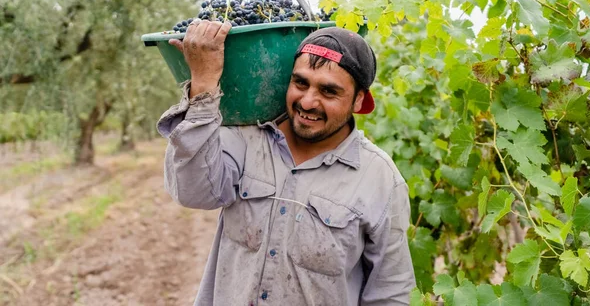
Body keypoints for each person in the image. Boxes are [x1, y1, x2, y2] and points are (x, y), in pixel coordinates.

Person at [157, 19, 415, 305]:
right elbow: (192, 192)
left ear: (359, 101)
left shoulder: (379, 179)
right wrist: (203, 88)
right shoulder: (246, 140)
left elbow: (391, 292)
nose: (307, 102)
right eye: (300, 83)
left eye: (329, 91)